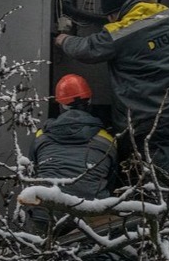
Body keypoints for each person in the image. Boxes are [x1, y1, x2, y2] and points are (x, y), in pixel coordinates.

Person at [54, 0, 169, 174]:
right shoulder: (164, 15)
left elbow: (87, 49)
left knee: (162, 185)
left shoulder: (119, 33)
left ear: (113, 14)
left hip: (155, 122)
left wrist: (63, 40)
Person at [28, 73, 116, 235]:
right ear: (89, 102)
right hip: (90, 215)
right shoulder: (107, 140)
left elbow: (32, 172)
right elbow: (111, 179)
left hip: (46, 214)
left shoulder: (41, 137)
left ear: (60, 105)